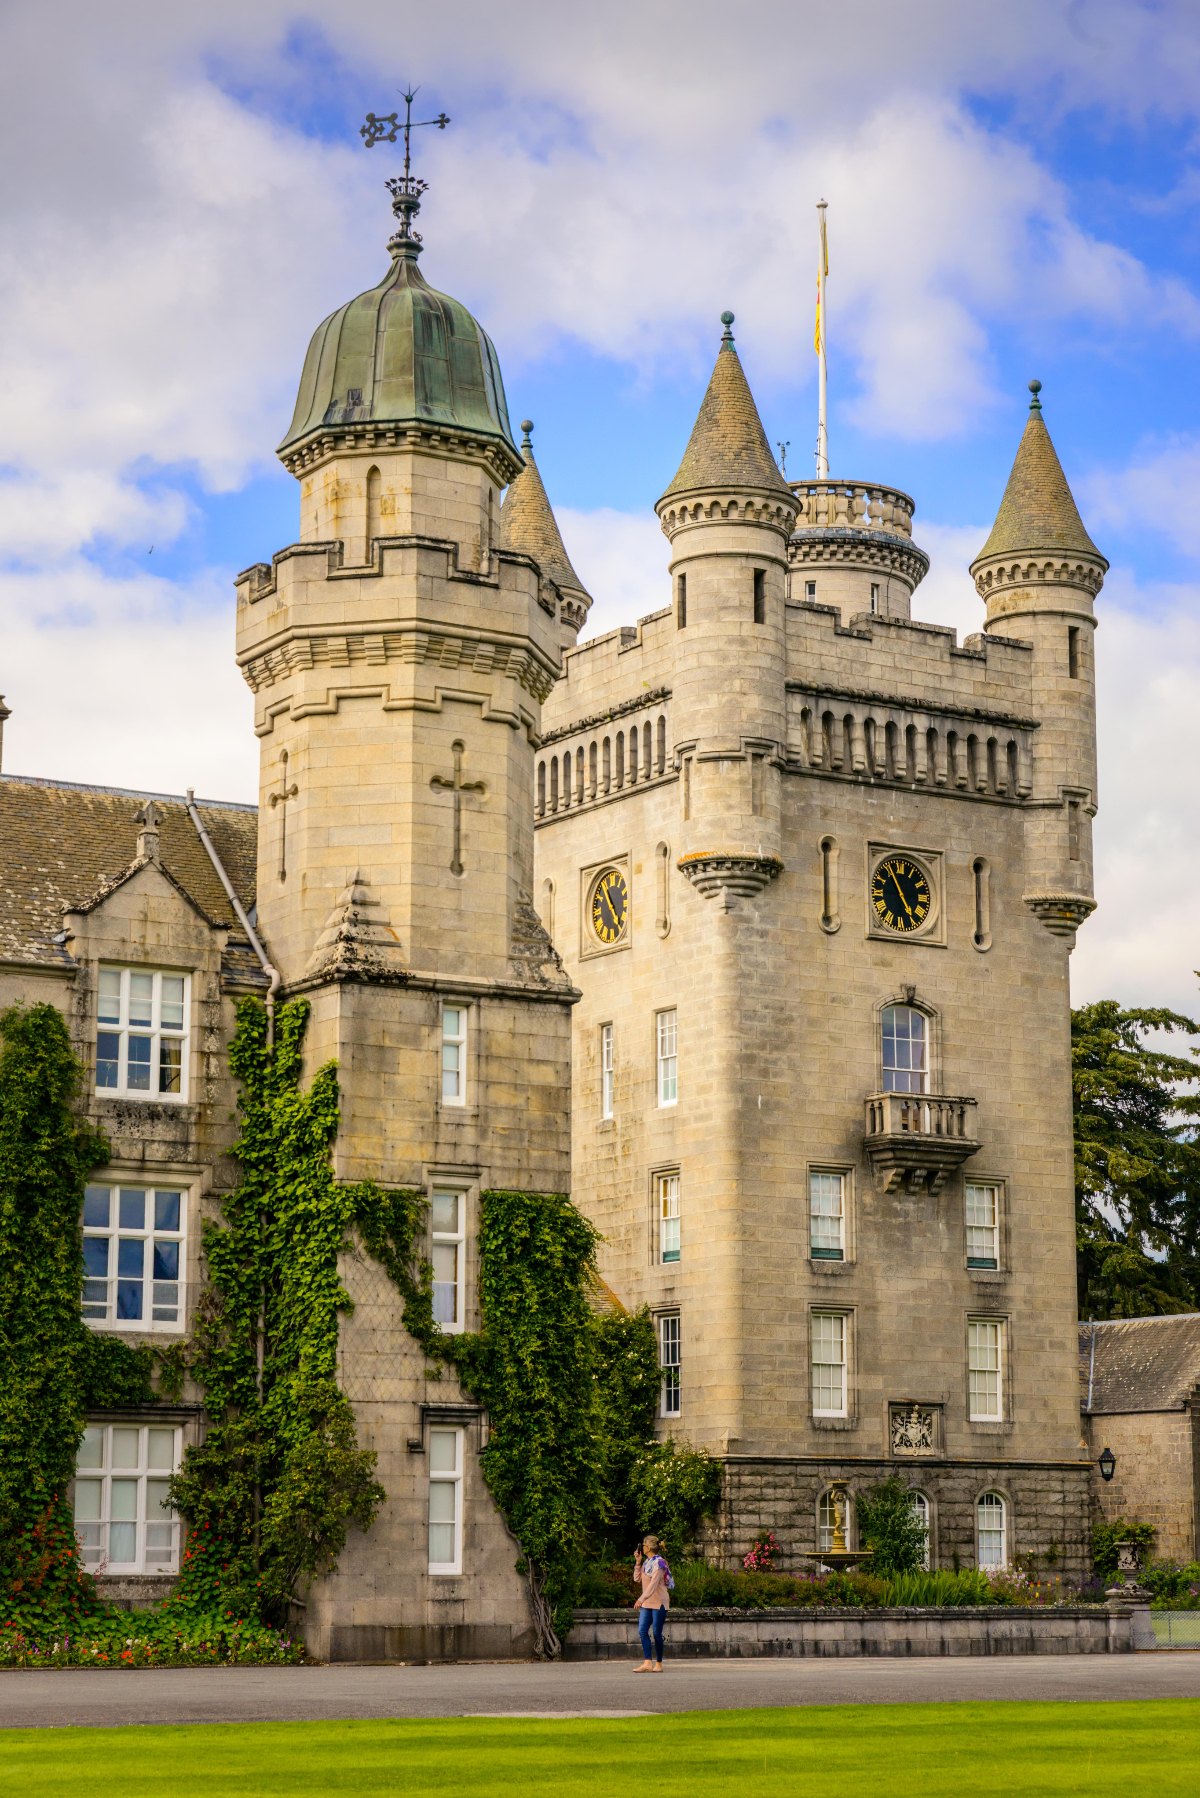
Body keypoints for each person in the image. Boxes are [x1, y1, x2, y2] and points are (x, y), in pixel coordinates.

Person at [632, 1534, 671, 1671]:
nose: (642, 1547)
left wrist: (640, 1599)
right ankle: (647, 1662)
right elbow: (637, 1579)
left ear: (648, 1547)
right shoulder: (646, 1562)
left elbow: (653, 1585)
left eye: (643, 1544)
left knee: (656, 1633)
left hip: (659, 1602)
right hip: (647, 1603)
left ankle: (659, 1663)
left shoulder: (660, 1563)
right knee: (642, 1631)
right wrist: (637, 1562)